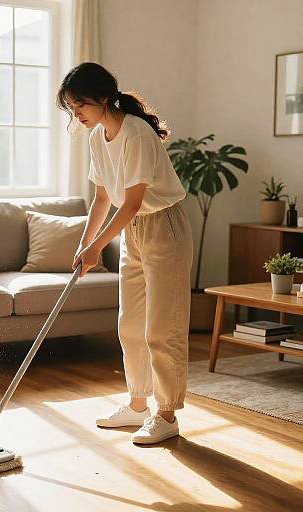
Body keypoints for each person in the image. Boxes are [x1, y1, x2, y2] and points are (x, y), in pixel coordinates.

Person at [57, 62, 193, 444]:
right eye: (71, 109)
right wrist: (85, 245)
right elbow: (102, 198)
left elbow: (131, 203)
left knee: (161, 329)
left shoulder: (137, 133)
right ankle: (137, 406)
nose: (76, 115)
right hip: (132, 232)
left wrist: (98, 246)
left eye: (79, 106)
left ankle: (166, 414)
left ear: (102, 99)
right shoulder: (97, 137)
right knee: (129, 324)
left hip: (163, 227)